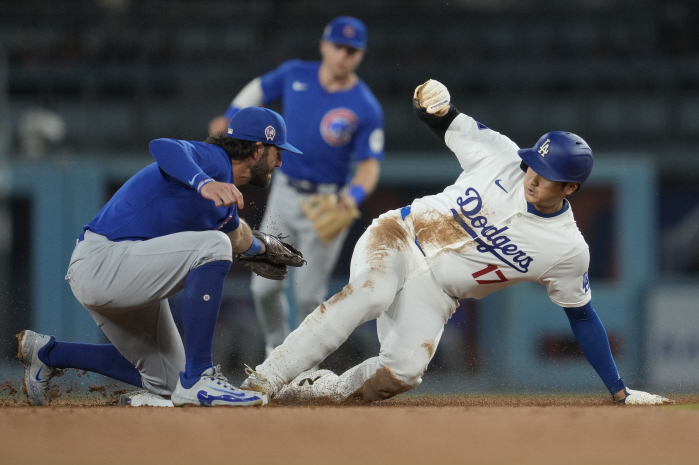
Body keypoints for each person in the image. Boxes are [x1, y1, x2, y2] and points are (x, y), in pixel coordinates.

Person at [239, 80, 672, 406]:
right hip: (399, 236)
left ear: (571, 189)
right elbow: (440, 114)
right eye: (535, 163)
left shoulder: (567, 250)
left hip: (437, 292)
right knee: (370, 294)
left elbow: (583, 317)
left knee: (405, 371)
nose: (535, 175)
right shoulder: (501, 154)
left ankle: (322, 390)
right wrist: (432, 98)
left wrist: (619, 391)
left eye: (549, 173)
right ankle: (265, 378)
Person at [17, 106, 303, 407]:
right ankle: (200, 378)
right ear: (258, 149)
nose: (281, 161)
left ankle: (47, 354)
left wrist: (263, 248)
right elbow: (163, 147)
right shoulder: (213, 161)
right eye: (277, 151)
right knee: (214, 245)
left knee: (168, 381)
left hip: (122, 270)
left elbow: (238, 237)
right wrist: (204, 183)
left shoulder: (224, 200)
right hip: (103, 260)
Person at [208, 16, 385, 357]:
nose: (343, 56)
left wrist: (354, 195)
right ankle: (277, 348)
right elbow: (259, 88)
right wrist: (231, 113)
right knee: (262, 287)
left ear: (360, 55)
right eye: (338, 46)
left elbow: (369, 166)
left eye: (352, 50)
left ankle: (306, 367)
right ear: (324, 45)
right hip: (285, 194)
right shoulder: (295, 74)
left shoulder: (365, 106)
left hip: (328, 202)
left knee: (308, 294)